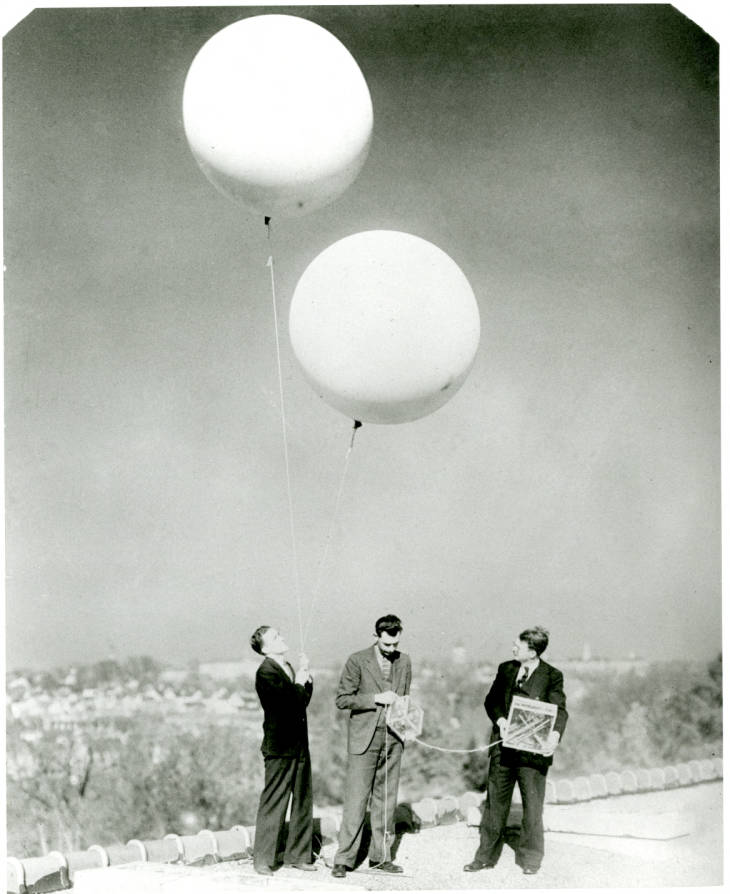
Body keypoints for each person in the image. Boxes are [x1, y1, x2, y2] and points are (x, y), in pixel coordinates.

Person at [464, 625, 568, 876]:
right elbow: (491, 701)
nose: (513, 648)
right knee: (494, 805)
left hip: (532, 754)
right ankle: (485, 857)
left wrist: (554, 736)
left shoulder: (552, 675)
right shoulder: (506, 668)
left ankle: (531, 859)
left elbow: (560, 710)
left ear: (532, 652)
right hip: (503, 750)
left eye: (518, 645)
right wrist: (500, 721)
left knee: (532, 806)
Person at [331, 614, 412, 878]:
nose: (391, 650)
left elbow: (405, 699)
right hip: (364, 738)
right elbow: (342, 699)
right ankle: (343, 860)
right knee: (356, 800)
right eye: (386, 645)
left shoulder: (405, 661)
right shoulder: (357, 660)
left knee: (387, 800)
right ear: (376, 636)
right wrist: (377, 698)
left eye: (395, 645)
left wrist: (406, 720)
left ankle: (381, 858)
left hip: (394, 739)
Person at [250, 625, 316, 876]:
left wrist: (306, 679)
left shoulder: (286, 667)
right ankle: (263, 859)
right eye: (276, 637)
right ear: (265, 648)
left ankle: (298, 855)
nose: (283, 637)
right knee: (274, 801)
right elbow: (287, 705)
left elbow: (301, 703)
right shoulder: (265, 672)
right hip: (279, 748)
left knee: (302, 798)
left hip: (299, 745)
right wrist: (300, 684)